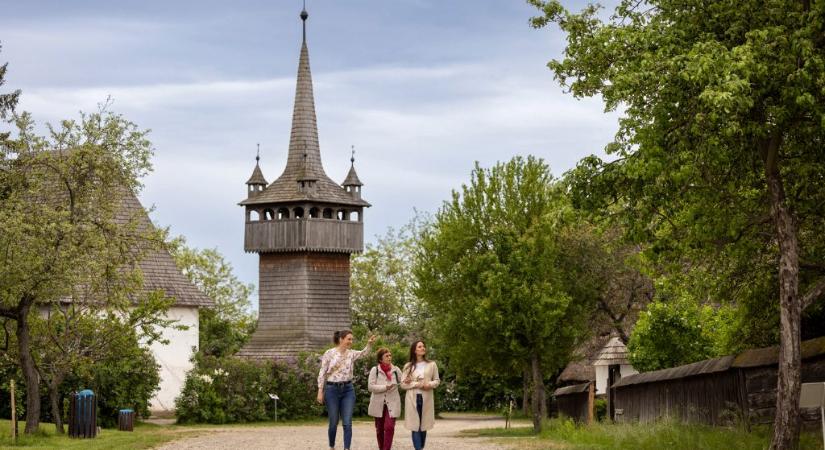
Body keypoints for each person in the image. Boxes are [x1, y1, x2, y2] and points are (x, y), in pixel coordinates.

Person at [317, 330, 376, 450]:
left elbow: (364, 353)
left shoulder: (351, 354)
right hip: (331, 390)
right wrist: (320, 391)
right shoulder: (329, 353)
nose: (351, 342)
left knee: (347, 423)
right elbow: (322, 373)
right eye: (349, 339)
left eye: (352, 339)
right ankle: (332, 446)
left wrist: (369, 344)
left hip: (348, 390)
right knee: (333, 422)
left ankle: (347, 448)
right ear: (341, 339)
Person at [400, 340, 440, 450]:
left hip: (426, 398)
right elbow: (403, 384)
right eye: (420, 346)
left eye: (423, 346)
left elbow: (437, 381)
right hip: (412, 398)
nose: (423, 348)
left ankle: (421, 447)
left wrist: (429, 384)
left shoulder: (432, 364)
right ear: (414, 350)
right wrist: (417, 384)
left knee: (424, 426)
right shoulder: (408, 366)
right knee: (415, 425)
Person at [368, 348, 403, 450]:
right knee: (379, 430)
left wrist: (407, 380)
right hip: (378, 403)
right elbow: (370, 387)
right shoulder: (375, 370)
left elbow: (403, 383)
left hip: (392, 403)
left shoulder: (396, 370)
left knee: (389, 427)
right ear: (380, 359)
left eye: (390, 355)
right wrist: (385, 387)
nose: (389, 358)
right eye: (386, 356)